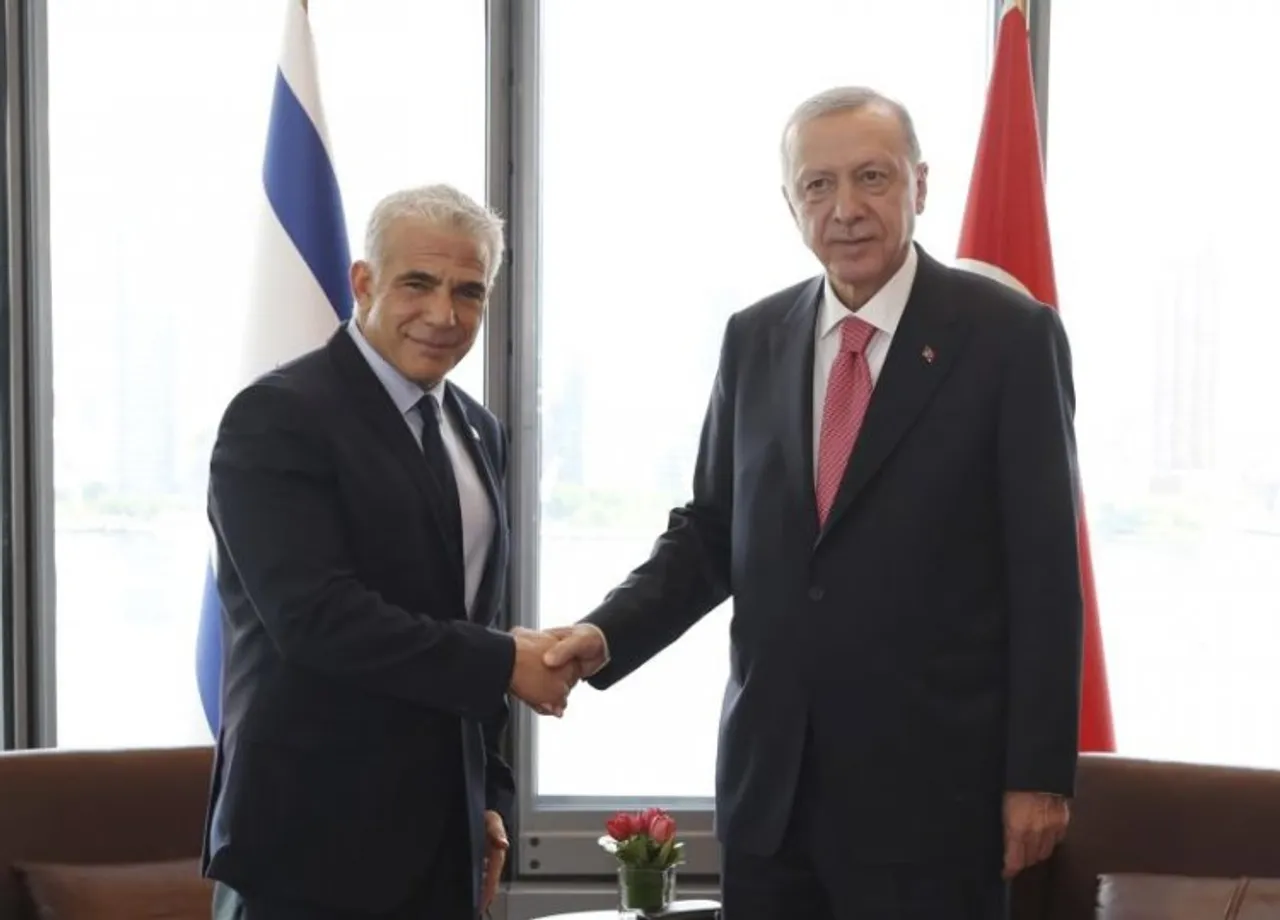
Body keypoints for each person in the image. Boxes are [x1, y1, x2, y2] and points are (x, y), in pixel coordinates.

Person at [542, 86, 1084, 920]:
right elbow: (714, 530)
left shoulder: (1010, 337)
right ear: (790, 200)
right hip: (774, 800)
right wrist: (605, 632)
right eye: (819, 185)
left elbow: (1046, 575)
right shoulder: (753, 336)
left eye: (872, 177)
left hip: (936, 805)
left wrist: (1038, 776)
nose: (847, 209)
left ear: (920, 185)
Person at [202, 185, 575, 920]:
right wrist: (505, 660)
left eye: (469, 292)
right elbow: (315, 619)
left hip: (445, 842)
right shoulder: (276, 417)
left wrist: (486, 795)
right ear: (364, 282)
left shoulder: (478, 430)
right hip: (309, 846)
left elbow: (467, 612)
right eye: (418, 284)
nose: (444, 315)